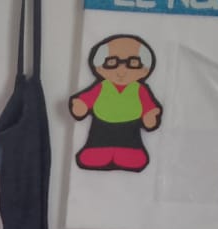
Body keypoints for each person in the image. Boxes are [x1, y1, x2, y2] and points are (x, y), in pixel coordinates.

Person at [69, 33, 162, 172]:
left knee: (131, 148)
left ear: (145, 69)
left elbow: (148, 108)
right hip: (101, 126)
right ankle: (97, 152)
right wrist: (81, 106)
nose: (121, 71)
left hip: (130, 127)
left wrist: (149, 117)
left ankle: (129, 154)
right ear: (99, 67)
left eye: (132, 63)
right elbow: (86, 101)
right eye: (112, 62)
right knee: (97, 144)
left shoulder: (140, 90)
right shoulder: (101, 87)